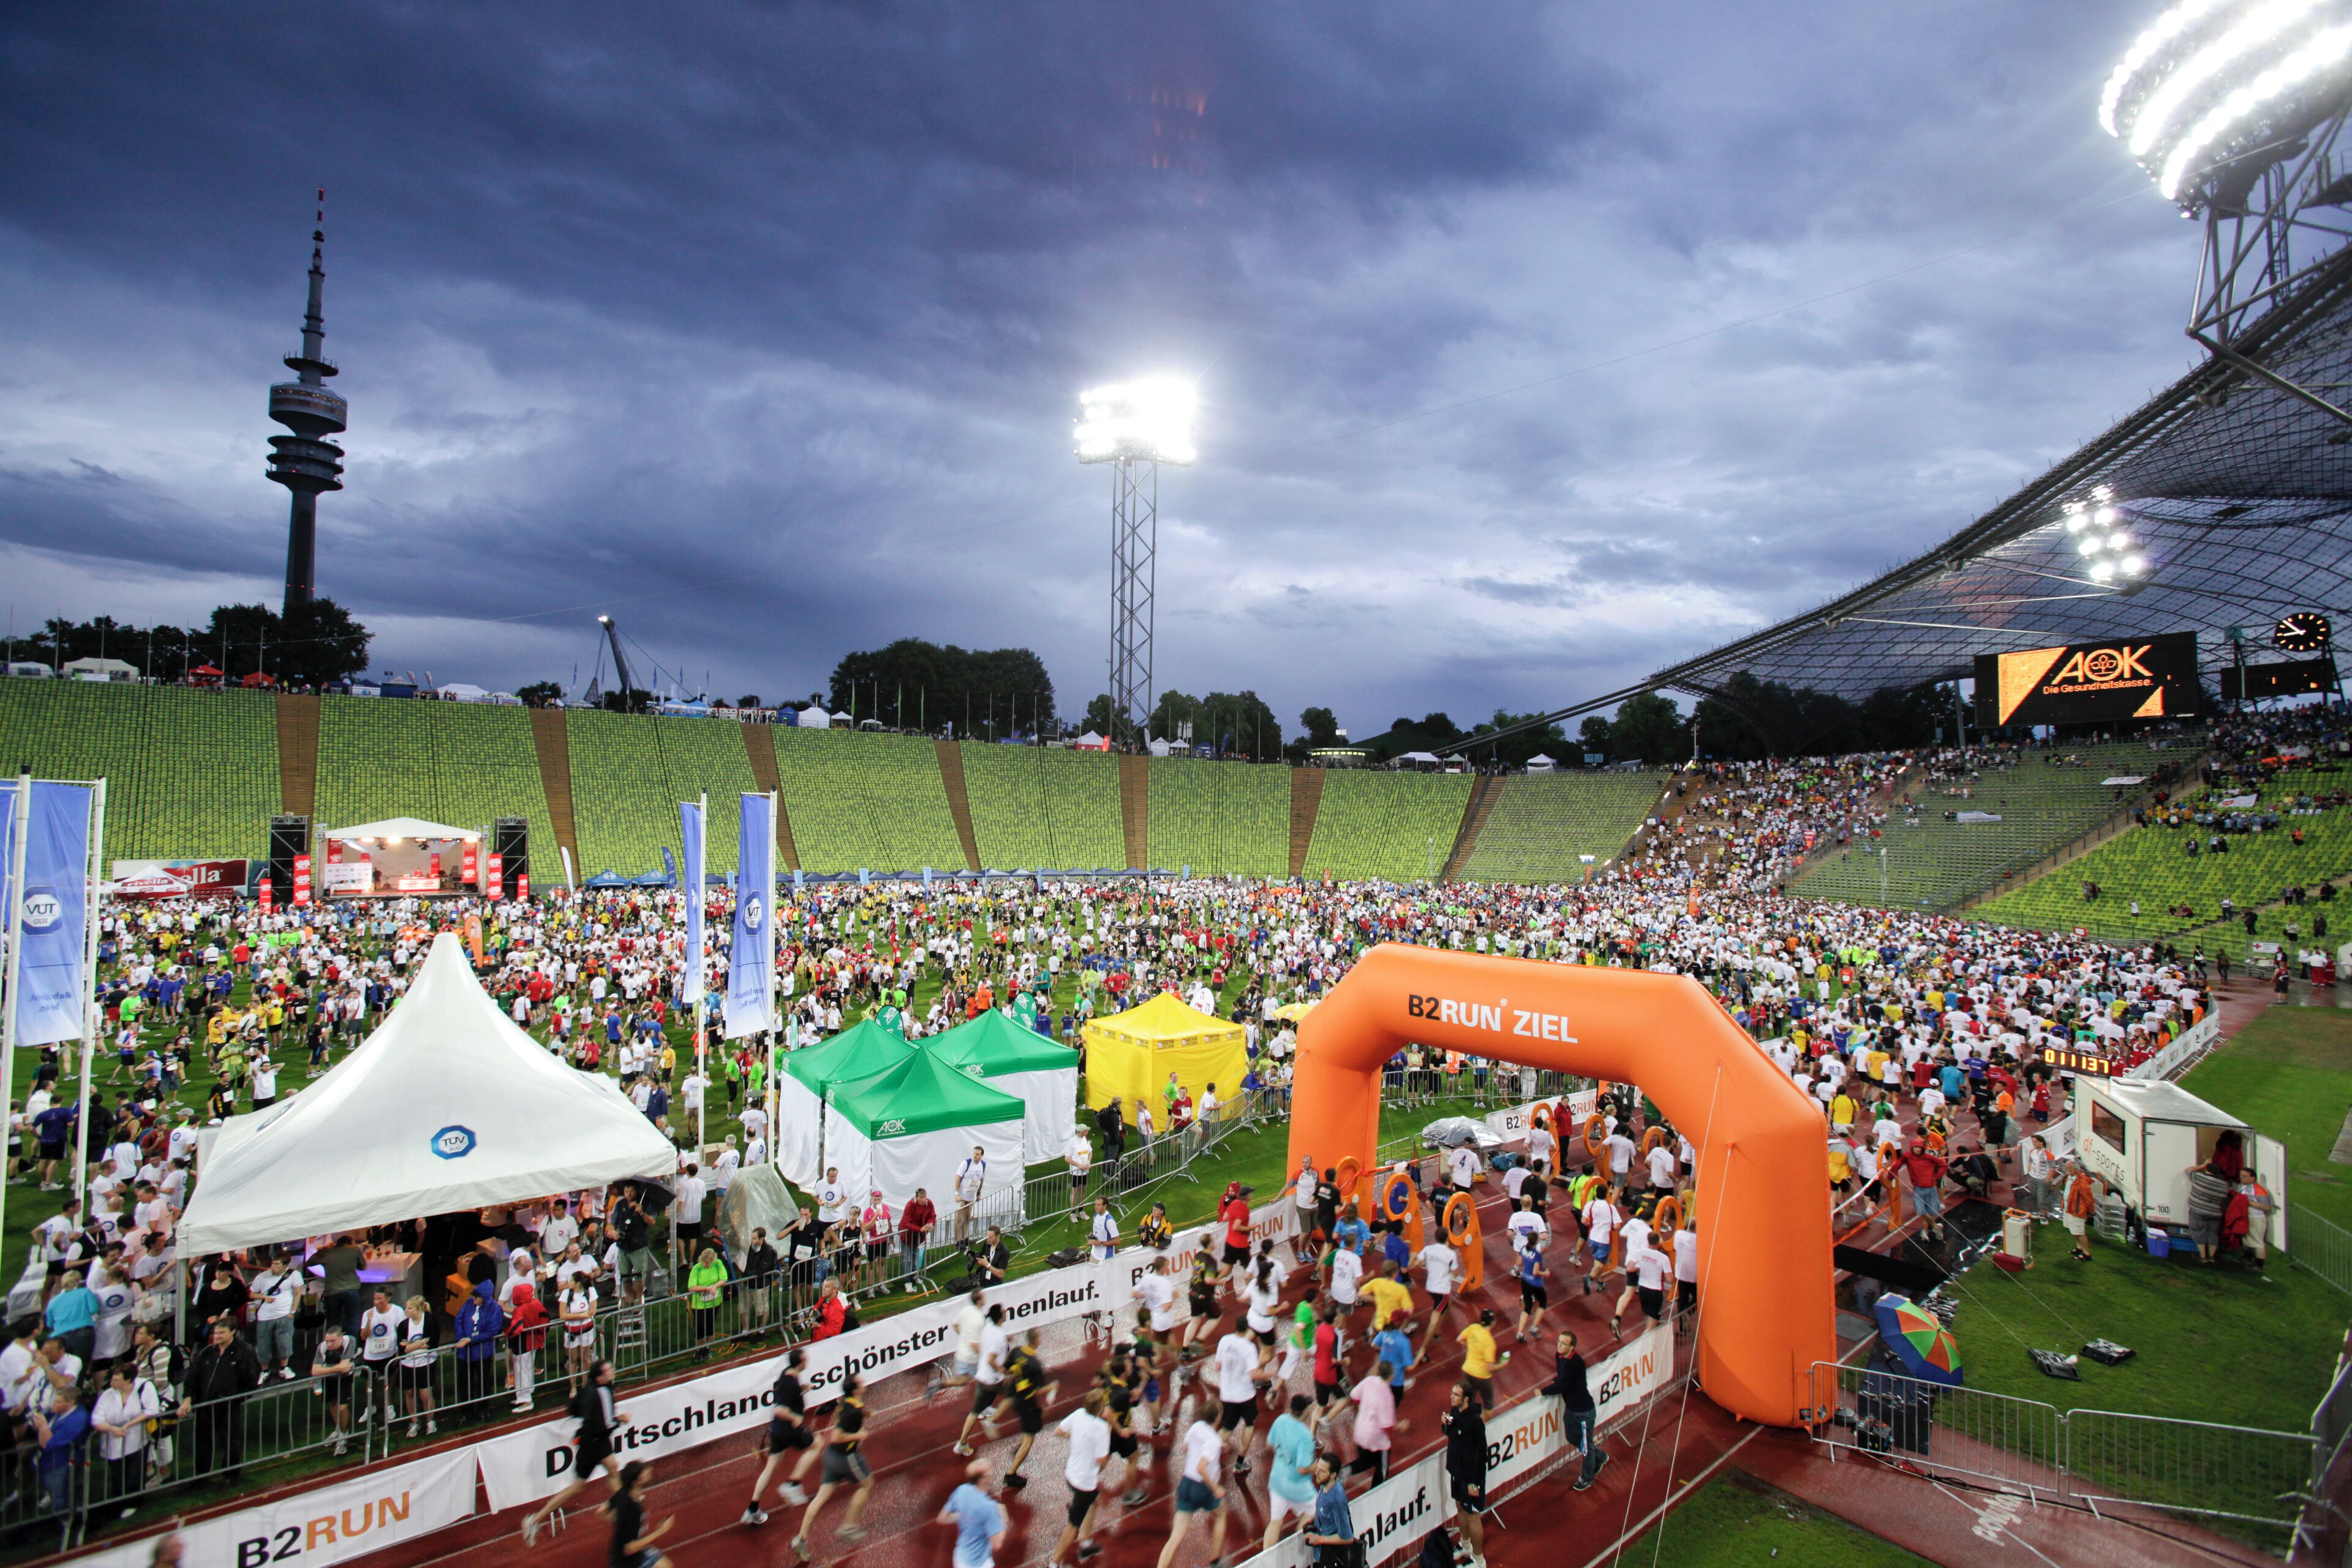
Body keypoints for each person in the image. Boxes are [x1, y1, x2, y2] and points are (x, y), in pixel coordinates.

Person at [523, 1359, 628, 1544]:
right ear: (600, 1377)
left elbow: (572, 1409)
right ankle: (535, 1520)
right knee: (578, 1487)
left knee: (613, 1468)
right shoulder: (601, 1392)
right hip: (592, 1444)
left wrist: (594, 1416)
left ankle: (622, 1508)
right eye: (609, 1370)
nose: (613, 1371)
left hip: (597, 1439)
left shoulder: (590, 1389)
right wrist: (621, 1420)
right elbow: (608, 1424)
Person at [791, 1368, 875, 1558]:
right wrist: (859, 1434)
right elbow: (836, 1436)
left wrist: (866, 1413)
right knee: (867, 1484)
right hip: (847, 1457)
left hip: (830, 1457)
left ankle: (801, 1539)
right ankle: (848, 1527)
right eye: (861, 1383)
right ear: (855, 1389)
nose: (865, 1384)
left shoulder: (847, 1401)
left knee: (822, 1497)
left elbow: (846, 1406)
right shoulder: (853, 1411)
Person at [180, 1317, 260, 1481]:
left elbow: (251, 1380)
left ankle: (230, 1476)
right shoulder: (207, 1353)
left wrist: (234, 1400)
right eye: (215, 1332)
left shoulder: (244, 1352)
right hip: (205, 1406)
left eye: (221, 1333)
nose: (217, 1336)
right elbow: (193, 1377)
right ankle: (201, 1478)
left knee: (231, 1442)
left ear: (233, 1332)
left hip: (228, 1407)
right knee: (202, 1443)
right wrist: (188, 1399)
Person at [742, 1346, 813, 1524]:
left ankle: (753, 1509)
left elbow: (785, 1396)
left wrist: (803, 1388)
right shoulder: (790, 1383)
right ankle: (793, 1484)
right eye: (806, 1360)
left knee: (771, 1468)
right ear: (800, 1363)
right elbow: (780, 1409)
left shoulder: (788, 1374)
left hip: (778, 1431)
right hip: (789, 1430)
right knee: (817, 1444)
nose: (808, 1362)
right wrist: (795, 1418)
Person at [1047, 1387, 1114, 1565]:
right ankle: (1054, 1563)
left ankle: (1086, 1542)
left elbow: (1058, 1432)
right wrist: (1108, 1432)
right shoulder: (1101, 1428)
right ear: (1101, 1408)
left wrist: (1079, 1438)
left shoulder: (1078, 1414)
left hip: (1071, 1473)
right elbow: (1102, 1461)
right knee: (1072, 1527)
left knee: (1096, 1500)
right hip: (1085, 1483)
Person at [1156, 1412, 1227, 1568]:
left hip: (1186, 1485)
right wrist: (1216, 1488)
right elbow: (1201, 1468)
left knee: (1175, 1538)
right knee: (1221, 1515)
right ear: (1218, 1418)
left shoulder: (1196, 1427)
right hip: (1203, 1488)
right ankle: (1215, 1562)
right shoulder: (1214, 1440)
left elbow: (1184, 1448)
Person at [91, 1362, 159, 1506]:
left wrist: (129, 1424)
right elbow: (96, 1419)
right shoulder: (108, 1394)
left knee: (134, 1473)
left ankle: (134, 1503)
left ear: (128, 1380)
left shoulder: (144, 1387)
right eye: (112, 1380)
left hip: (137, 1439)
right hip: (113, 1442)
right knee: (118, 1474)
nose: (112, 1383)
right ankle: (119, 1503)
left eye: (117, 1380)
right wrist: (112, 1428)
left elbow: (152, 1410)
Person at [1262, 1392, 1321, 1553]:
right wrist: (1315, 1467)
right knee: (1315, 1508)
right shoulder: (1305, 1436)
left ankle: (1265, 1559)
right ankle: (1297, 1544)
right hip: (1297, 1487)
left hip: (1277, 1482)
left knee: (1275, 1522)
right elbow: (1302, 1469)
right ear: (1305, 1411)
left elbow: (1269, 1446)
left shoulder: (1280, 1420)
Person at [1551, 1330, 1607, 1490]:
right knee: (1571, 1437)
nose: (1560, 1346)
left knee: (1586, 1447)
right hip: (1571, 1409)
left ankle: (1587, 1478)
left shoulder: (1576, 1362)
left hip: (1583, 1411)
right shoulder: (1559, 1357)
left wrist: (1543, 1391)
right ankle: (1600, 1456)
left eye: (1564, 1343)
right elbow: (1563, 1378)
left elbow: (1563, 1384)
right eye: (1559, 1342)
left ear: (1572, 1347)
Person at [1441, 1381, 1490, 1567]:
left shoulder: (1475, 1422)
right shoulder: (1455, 1412)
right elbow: (1452, 1435)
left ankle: (1479, 1561)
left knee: (1473, 1515)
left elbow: (1481, 1453)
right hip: (1457, 1472)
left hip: (1471, 1478)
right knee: (1461, 1507)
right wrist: (1444, 1425)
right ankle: (1465, 1545)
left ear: (1466, 1399)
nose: (1451, 1397)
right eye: (1451, 1393)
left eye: (1456, 1395)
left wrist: (1475, 1483)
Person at [604, 1461, 674, 1568]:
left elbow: (602, 1511)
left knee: (666, 1566)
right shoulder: (633, 1509)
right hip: (626, 1563)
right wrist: (660, 1531)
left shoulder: (624, 1493)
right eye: (643, 1471)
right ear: (636, 1481)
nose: (649, 1470)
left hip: (626, 1554)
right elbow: (629, 1549)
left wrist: (619, 1522)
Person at [941, 1459, 1008, 1568]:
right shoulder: (989, 1508)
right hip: (979, 1563)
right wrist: (1003, 1518)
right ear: (982, 1480)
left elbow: (943, 1518)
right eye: (989, 1470)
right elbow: (997, 1544)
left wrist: (964, 1514)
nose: (993, 1471)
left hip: (960, 1557)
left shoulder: (961, 1490)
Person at [311, 1322, 360, 1454]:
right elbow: (315, 1371)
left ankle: (344, 1435)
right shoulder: (322, 1347)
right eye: (327, 1341)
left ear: (341, 1338)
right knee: (333, 1404)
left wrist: (326, 1369)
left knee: (343, 1407)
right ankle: (339, 1429)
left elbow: (345, 1367)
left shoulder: (350, 1341)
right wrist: (337, 1368)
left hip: (345, 1379)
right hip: (329, 1380)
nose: (330, 1344)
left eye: (333, 1341)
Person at [1305, 1452, 1357, 1568]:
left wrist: (1319, 1539)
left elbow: (1348, 1538)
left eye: (1322, 1471)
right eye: (1317, 1469)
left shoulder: (1336, 1500)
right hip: (1325, 1556)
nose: (1317, 1473)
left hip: (1332, 1558)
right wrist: (1314, 1520)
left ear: (1333, 1475)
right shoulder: (1326, 1484)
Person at [507, 1281, 551, 1411]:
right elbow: (546, 1321)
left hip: (522, 1344)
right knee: (527, 1369)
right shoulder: (537, 1304)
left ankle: (527, 1400)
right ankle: (523, 1395)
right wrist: (542, 1339)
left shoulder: (519, 1310)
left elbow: (516, 1328)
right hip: (534, 1342)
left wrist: (507, 1332)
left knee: (522, 1370)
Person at [1458, 1308, 1507, 1409]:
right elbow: (1488, 1367)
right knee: (1489, 1405)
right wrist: (1502, 1365)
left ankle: (1466, 1423)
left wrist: (1472, 1346)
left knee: (1468, 1402)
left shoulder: (1473, 1327)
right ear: (1493, 1322)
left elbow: (1459, 1339)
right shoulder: (1490, 1342)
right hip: (1482, 1377)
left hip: (1467, 1371)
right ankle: (1482, 1423)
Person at [2062, 1161, 2098, 1262]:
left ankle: (2087, 1254)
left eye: (2069, 1168)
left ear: (2076, 1170)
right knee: (2074, 1231)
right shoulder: (2069, 1178)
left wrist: (2091, 1212)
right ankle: (2079, 1248)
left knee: (2080, 1232)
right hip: (2069, 1209)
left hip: (2077, 1211)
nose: (2066, 1169)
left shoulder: (2082, 1183)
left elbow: (2089, 1199)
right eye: (2066, 1167)